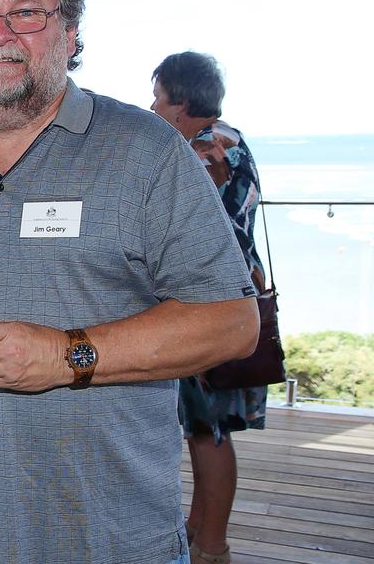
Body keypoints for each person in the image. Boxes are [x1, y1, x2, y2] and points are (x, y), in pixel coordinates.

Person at [0, 0, 260, 564]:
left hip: (112, 534)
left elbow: (232, 321)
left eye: (27, 13)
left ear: (71, 33)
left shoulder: (145, 151)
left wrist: (69, 355)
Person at [152, 51, 267, 564]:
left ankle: (212, 546)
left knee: (208, 429)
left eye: (158, 95)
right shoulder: (233, 141)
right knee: (205, 427)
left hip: (210, 308)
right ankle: (197, 529)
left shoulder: (204, 150)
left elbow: (214, 235)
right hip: (226, 302)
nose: (151, 105)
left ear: (181, 101)